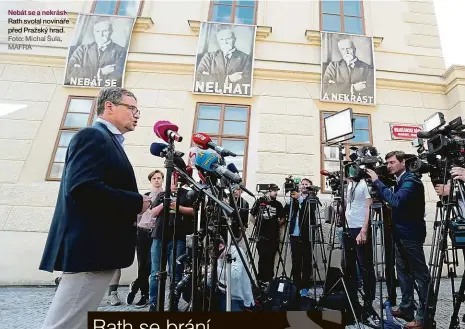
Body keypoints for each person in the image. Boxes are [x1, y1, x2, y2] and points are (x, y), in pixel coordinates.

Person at [39, 87, 151, 329]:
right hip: (89, 250)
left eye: (137, 109)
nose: (136, 114)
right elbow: (82, 188)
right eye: (131, 108)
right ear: (109, 107)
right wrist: (136, 202)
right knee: (65, 323)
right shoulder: (92, 135)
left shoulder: (108, 140)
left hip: (97, 250)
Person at [367, 151, 429, 329]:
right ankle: (406, 307)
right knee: (403, 273)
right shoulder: (400, 180)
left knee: (421, 276)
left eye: (392, 162)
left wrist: (377, 182)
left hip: (411, 235)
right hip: (400, 234)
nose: (389, 166)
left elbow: (397, 201)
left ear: (403, 162)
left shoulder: (411, 180)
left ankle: (424, 316)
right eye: (387, 163)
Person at [148, 173, 195, 312]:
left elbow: (194, 211)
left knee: (176, 273)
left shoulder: (187, 194)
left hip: (178, 237)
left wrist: (178, 207)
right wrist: (165, 203)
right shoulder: (162, 194)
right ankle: (154, 305)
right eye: (172, 180)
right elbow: (153, 213)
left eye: (176, 179)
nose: (174, 183)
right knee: (155, 273)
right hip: (159, 237)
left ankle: (173, 304)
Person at [126, 169, 165, 308]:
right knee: (142, 264)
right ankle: (144, 295)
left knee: (151, 265)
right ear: (150, 180)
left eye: (159, 178)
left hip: (156, 233)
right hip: (142, 232)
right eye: (154, 178)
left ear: (162, 179)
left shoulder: (165, 196)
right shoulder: (144, 196)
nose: (156, 180)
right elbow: (137, 215)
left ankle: (136, 285)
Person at [344, 176, 376, 312]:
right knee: (349, 266)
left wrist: (364, 230)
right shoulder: (350, 184)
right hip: (348, 227)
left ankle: (368, 301)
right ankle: (353, 301)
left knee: (365, 266)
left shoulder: (364, 184)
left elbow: (370, 207)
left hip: (360, 228)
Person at [65, 20, 127, 86]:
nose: (101, 34)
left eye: (104, 31)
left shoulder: (120, 51)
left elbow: (118, 76)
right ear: (94, 33)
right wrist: (101, 71)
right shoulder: (82, 49)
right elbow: (70, 72)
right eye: (98, 31)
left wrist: (83, 70)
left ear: (111, 31)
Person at [194, 28, 252, 96]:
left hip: (234, 99)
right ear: (218, 41)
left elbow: (247, 80)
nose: (225, 42)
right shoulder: (209, 57)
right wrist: (228, 78)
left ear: (234, 39)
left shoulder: (245, 58)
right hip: (211, 96)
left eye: (228, 39)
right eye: (222, 39)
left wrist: (211, 76)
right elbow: (199, 77)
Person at [250, 184, 285, 284]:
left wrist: (275, 225)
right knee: (262, 259)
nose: (276, 193)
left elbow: (283, 218)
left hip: (273, 237)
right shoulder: (260, 201)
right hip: (261, 236)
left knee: (271, 259)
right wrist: (258, 224)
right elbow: (251, 216)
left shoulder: (278, 204)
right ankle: (260, 280)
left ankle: (269, 281)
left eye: (277, 190)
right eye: (274, 190)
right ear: (269, 191)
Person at [322, 38, 374, 104]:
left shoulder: (367, 68)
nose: (346, 52)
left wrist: (337, 86)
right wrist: (353, 88)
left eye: (348, 48)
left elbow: (370, 91)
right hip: (336, 105)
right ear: (340, 51)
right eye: (342, 49)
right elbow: (326, 88)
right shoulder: (333, 66)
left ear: (354, 49)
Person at [288, 178, 316, 294]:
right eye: (302, 184)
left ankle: (304, 286)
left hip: (306, 235)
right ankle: (296, 285)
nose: (303, 186)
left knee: (306, 262)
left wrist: (299, 198)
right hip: (295, 234)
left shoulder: (313, 198)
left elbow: (310, 211)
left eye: (306, 184)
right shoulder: (295, 199)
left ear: (310, 187)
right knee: (296, 261)